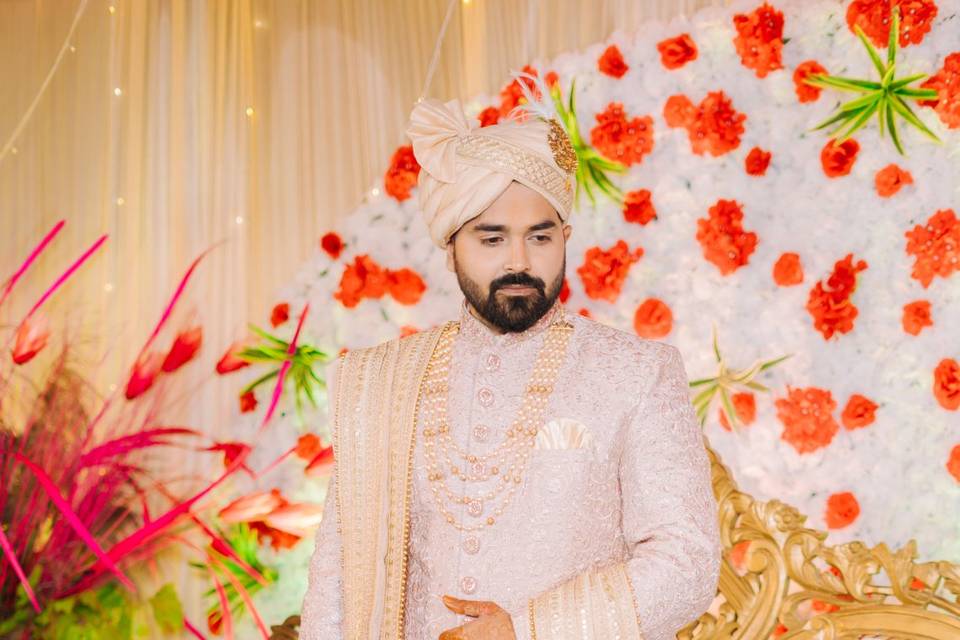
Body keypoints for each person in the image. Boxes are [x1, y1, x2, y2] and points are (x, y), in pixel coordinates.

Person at [299, 93, 721, 640]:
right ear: (451, 246)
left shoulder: (637, 372)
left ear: (564, 239)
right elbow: (339, 580)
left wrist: (528, 631)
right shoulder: (384, 379)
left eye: (539, 237)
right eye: (491, 238)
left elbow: (687, 561)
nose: (519, 261)